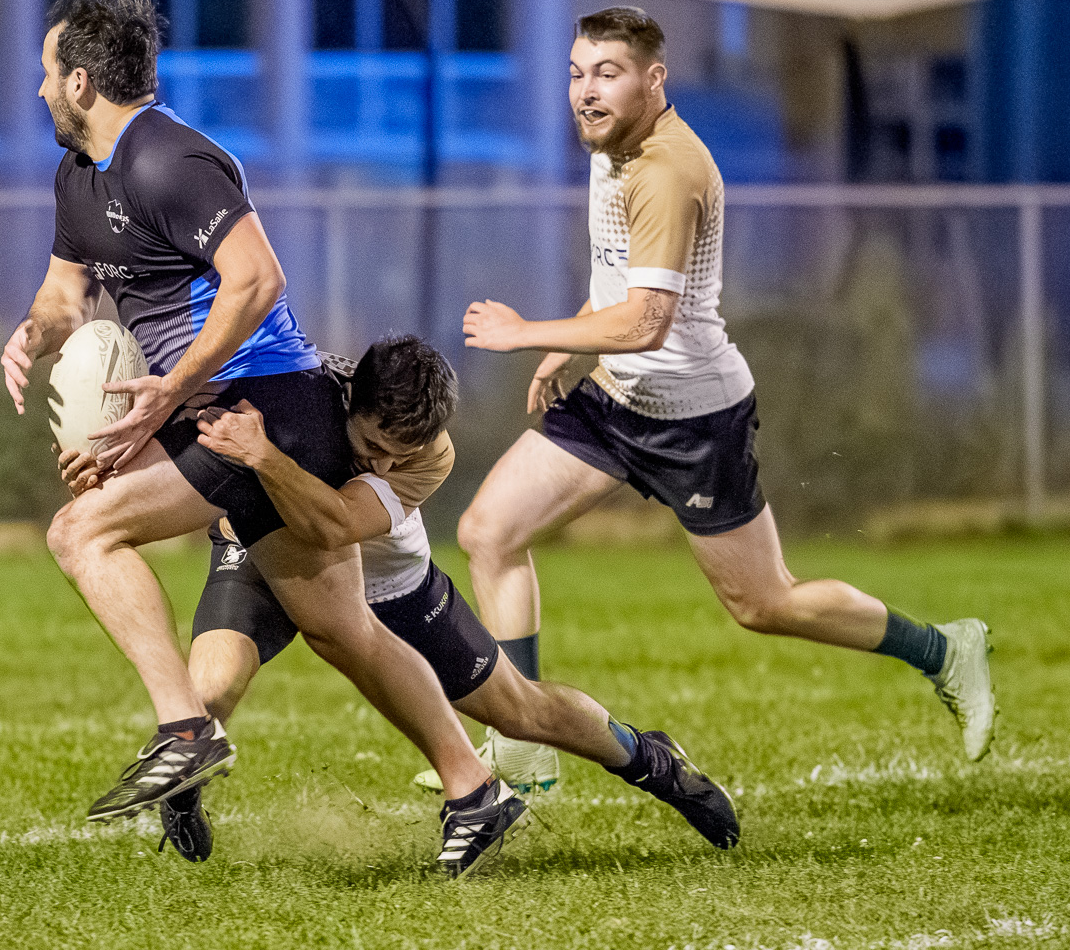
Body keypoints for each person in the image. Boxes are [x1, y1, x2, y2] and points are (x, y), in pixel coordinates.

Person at [2, 0, 520, 877]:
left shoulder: (168, 160)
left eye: (48, 72)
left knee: (80, 531)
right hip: (217, 402)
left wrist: (172, 393)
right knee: (342, 629)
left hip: (268, 401)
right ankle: (474, 787)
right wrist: (32, 332)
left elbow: (259, 280)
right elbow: (65, 290)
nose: (39, 88)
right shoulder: (77, 174)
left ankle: (185, 729)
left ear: (83, 81)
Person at [455, 7, 997, 792]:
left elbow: (647, 321)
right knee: (488, 531)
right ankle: (525, 742)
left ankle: (945, 649)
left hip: (692, 420)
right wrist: (569, 340)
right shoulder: (613, 143)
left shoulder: (669, 170)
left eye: (607, 73)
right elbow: (621, 278)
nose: (586, 91)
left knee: (763, 603)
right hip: (615, 399)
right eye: (577, 73)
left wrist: (522, 330)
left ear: (654, 78)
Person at [142, 336, 739, 868]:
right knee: (204, 703)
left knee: (519, 713)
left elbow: (337, 526)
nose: (385, 463)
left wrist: (265, 457)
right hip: (257, 561)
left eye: (401, 452)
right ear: (351, 402)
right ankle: (185, 786)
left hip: (388, 585)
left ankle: (650, 760)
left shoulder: (432, 454)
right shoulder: (296, 391)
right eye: (373, 444)